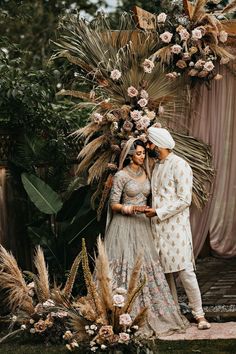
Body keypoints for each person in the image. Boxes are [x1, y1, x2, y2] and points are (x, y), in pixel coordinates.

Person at [105, 137, 189, 336]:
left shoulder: (147, 172)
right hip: (124, 226)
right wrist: (132, 208)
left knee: (146, 268)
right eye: (139, 153)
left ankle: (153, 312)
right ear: (129, 155)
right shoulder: (121, 176)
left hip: (143, 226)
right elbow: (113, 204)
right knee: (125, 266)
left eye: (143, 153)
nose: (142, 156)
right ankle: (121, 314)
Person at [145, 126, 211, 330]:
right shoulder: (156, 166)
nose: (148, 146)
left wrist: (158, 212)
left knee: (185, 272)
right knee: (164, 274)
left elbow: (184, 200)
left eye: (150, 143)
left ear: (158, 145)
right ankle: (172, 314)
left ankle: (199, 315)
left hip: (175, 228)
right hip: (156, 228)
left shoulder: (180, 165)